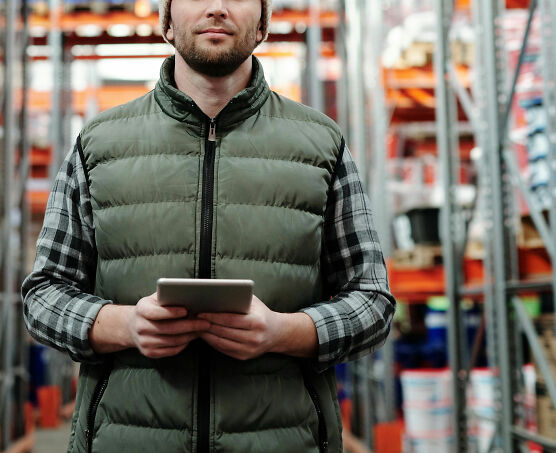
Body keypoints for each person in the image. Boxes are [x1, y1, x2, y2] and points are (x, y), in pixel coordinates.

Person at [21, 0, 396, 451]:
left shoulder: (322, 145)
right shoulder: (98, 145)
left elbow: (373, 302)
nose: (217, 8)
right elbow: (42, 295)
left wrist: (285, 332)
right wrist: (124, 325)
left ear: (262, 23)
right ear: (166, 18)